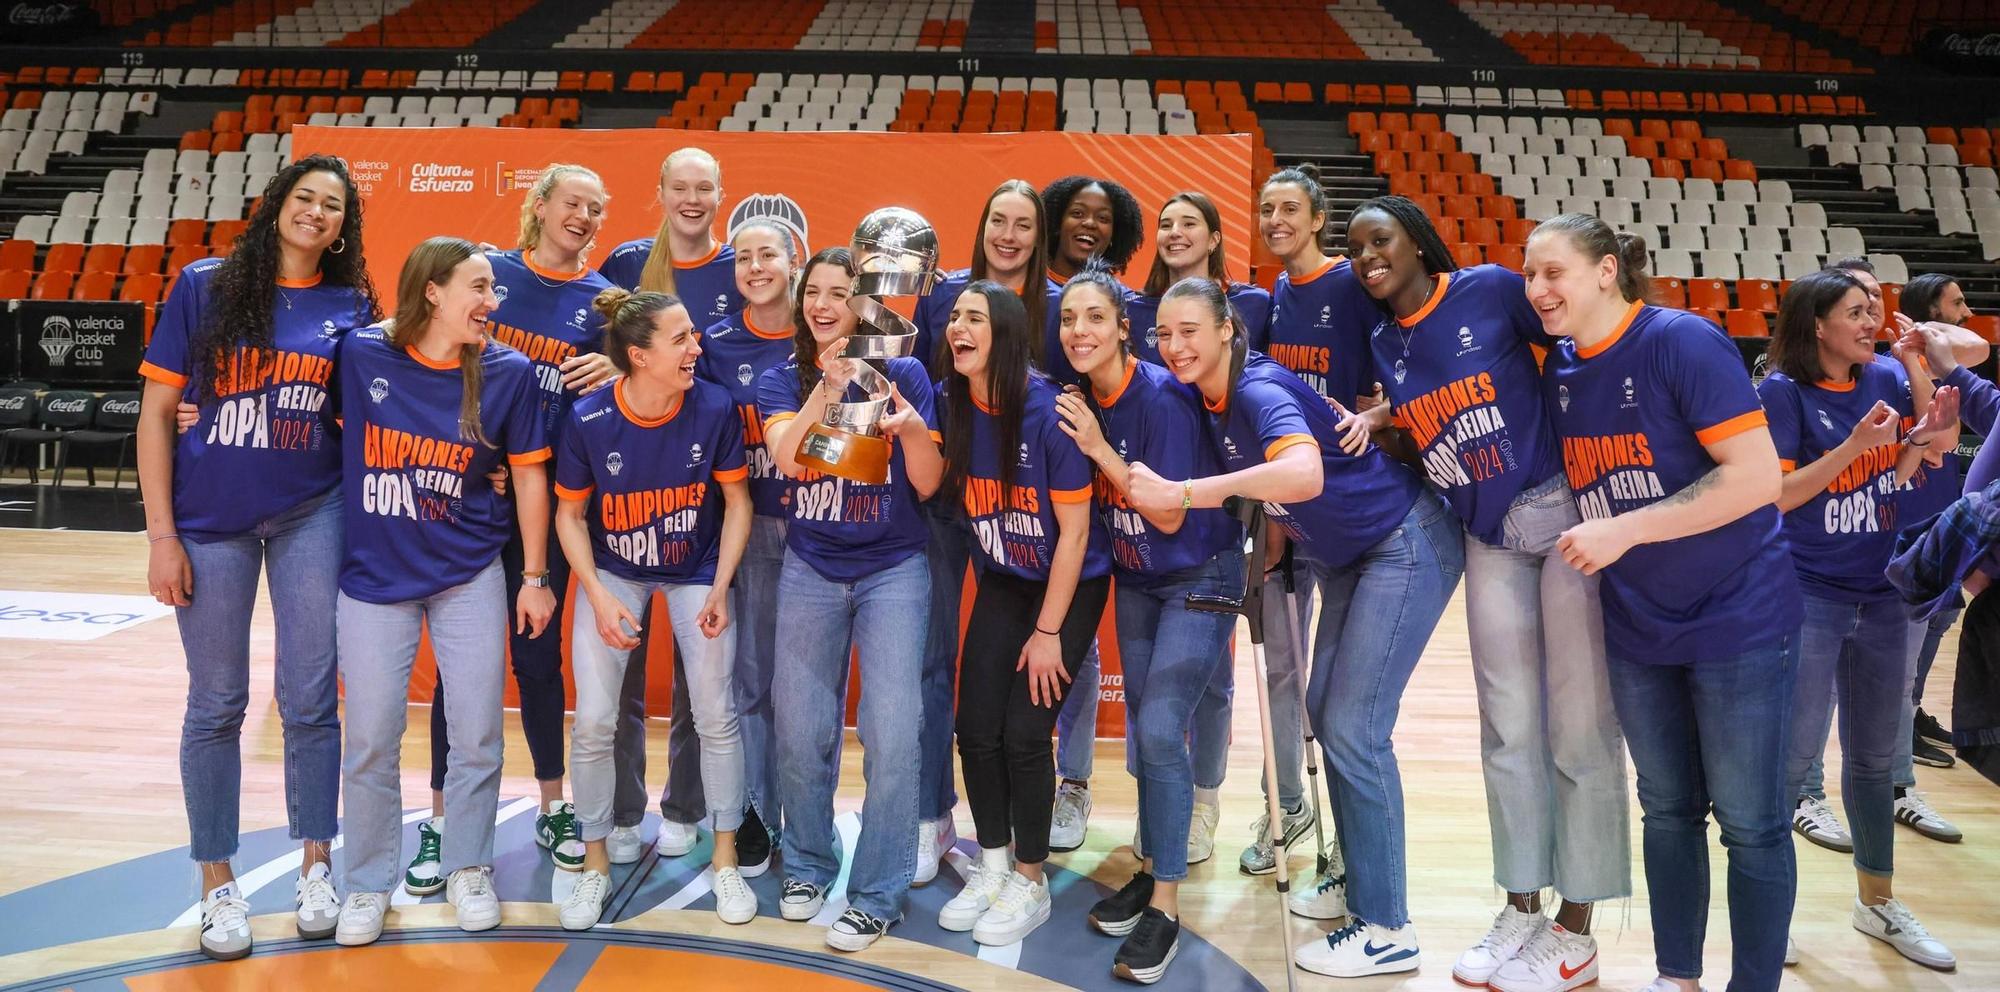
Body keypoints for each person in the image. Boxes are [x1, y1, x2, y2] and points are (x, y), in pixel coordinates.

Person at [1126, 276, 1463, 979]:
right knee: (1323, 712)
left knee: (1355, 726)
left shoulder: (1255, 389)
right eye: (1164, 333)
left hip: (1403, 543)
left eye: (1190, 330)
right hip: (1347, 555)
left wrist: (1189, 492)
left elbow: (1303, 474)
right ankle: (1360, 877)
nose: (1175, 345)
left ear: (1226, 328)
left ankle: (1387, 924)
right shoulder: (1206, 397)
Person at [1336, 196, 1629, 992]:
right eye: (1356, 247)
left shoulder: (1492, 289)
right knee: (1507, 731)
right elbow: (1446, 396)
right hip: (1486, 537)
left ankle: (1578, 930)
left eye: (1380, 239)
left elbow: (1578, 347)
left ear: (1419, 241)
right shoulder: (1381, 338)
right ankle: (1522, 910)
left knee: (1579, 729)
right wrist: (1390, 414)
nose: (1367, 256)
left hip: (1562, 516)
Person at [1527, 214, 1800, 992]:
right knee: (1670, 811)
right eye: (1530, 275)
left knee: (1750, 826)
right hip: (1641, 625)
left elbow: (1756, 478)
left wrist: (1625, 531)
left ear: (1607, 270)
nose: (1539, 290)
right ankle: (1676, 977)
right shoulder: (1565, 368)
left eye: (1555, 272)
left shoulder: (1682, 341)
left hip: (1739, 617)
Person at [137, 154, 379, 961]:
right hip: (211, 522)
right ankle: (217, 884)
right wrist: (162, 536)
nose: (317, 213)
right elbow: (157, 412)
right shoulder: (204, 285)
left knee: (311, 698)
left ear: (345, 225)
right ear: (277, 203)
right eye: (305, 197)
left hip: (313, 510)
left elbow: (379, 405)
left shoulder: (352, 305)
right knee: (216, 703)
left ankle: (317, 865)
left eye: (333, 206)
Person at [330, 238, 555, 946]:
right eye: (480, 287)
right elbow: (299, 417)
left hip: (468, 574)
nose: (493, 303)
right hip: (374, 579)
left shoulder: (510, 372)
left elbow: (526, 477)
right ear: (432, 291)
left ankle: (468, 868)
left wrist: (537, 576)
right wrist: (194, 415)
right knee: (369, 740)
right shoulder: (363, 354)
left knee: (479, 734)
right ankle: (367, 884)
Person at [418, 164, 618, 888]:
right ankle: (440, 819)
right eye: (574, 203)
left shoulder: (605, 304)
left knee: (536, 660)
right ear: (539, 206)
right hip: (471, 501)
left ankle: (553, 803)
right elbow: (427, 367)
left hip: (549, 504)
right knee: (459, 670)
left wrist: (614, 370)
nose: (586, 217)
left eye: (597, 209)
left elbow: (623, 402)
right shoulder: (486, 273)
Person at [1761, 268, 1960, 973]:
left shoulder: (1881, 376)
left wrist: (1918, 389)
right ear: (1817, 325)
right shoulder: (1782, 392)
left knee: (1875, 763)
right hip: (1806, 593)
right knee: (1787, 769)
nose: (1872, 319)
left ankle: (1876, 904)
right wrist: (1852, 451)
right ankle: (1767, 919)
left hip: (1883, 591)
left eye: (1874, 308)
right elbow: (1776, 495)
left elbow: (1919, 462)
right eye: (1856, 309)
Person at [1052, 264, 1242, 985]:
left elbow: (1166, 511)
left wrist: (1100, 448)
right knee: (1145, 730)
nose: (1079, 331)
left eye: (1095, 318)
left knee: (1163, 728)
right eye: (1069, 319)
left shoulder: (1159, 395)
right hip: (1139, 577)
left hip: (1200, 572)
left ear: (1122, 328)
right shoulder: (1081, 395)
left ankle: (1164, 904)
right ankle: (1153, 868)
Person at [551, 286, 757, 930]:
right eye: (682, 340)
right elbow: (569, 515)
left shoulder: (715, 407)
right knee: (593, 721)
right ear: (639, 357)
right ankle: (593, 867)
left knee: (717, 713)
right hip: (614, 570)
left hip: (697, 567)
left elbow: (739, 505)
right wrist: (596, 590)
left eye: (694, 334)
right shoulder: (588, 419)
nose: (698, 348)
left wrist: (721, 586)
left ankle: (724, 862)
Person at [761, 247, 944, 951]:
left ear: (865, 303)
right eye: (815, 291)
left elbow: (927, 484)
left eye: (840, 291)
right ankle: (807, 865)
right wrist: (825, 386)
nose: (823, 302)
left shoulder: (906, 373)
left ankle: (877, 894)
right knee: (802, 730)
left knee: (894, 736)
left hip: (893, 568)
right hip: (811, 565)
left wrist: (912, 430)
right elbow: (786, 457)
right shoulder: (783, 376)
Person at [932, 281, 1112, 948]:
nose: (959, 327)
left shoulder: (1050, 412)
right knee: (975, 727)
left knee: (1025, 730)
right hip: (1008, 576)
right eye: (955, 317)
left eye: (975, 318)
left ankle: (1031, 883)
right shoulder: (955, 403)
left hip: (1068, 584)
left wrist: (1048, 634)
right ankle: (996, 864)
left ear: (1005, 334)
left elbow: (1075, 534)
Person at [1227, 162, 1391, 878]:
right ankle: (1287, 803)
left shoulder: (1352, 287)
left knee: (1338, 685)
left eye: (1289, 208)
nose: (1275, 220)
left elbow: (1394, 374)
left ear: (1318, 217)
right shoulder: (1273, 299)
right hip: (1285, 505)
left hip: (1351, 501)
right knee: (1283, 668)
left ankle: (1345, 834)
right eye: (1266, 209)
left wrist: (1378, 414)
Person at [910, 179, 1062, 884]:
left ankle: (1058, 800)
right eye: (997, 219)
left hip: (1027, 516)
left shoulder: (1058, 308)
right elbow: (925, 391)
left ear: (1039, 235)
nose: (1008, 234)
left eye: (1023, 224)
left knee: (1041, 670)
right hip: (952, 500)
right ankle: (933, 818)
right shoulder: (945, 297)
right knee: (936, 660)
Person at [598, 147, 747, 864]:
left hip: (704, 491)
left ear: (721, 195)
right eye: (678, 186)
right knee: (619, 670)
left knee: (702, 681)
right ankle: (625, 812)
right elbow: (601, 361)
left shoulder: (734, 270)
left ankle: (685, 804)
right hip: (626, 500)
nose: (691, 198)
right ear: (658, 191)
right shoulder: (629, 265)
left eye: (703, 187)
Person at [660, 218, 802, 875]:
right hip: (736, 529)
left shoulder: (821, 333)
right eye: (742, 257)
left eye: (766, 253)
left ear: (792, 258)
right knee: (733, 681)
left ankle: (793, 817)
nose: (754, 266)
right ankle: (746, 814)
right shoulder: (712, 343)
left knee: (789, 687)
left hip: (815, 528)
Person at [1038, 174, 1142, 852]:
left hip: (1124, 491)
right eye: (1076, 214)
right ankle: (1062, 782)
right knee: (1066, 639)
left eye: (1102, 218)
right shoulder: (1038, 307)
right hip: (1055, 494)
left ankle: (1093, 785)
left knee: (1121, 647)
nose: (1088, 225)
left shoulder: (1131, 309)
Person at [1125, 190, 1273, 364]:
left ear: (1213, 240)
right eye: (1166, 225)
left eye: (1188, 224)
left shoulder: (1256, 304)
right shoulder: (1133, 310)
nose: (1174, 232)